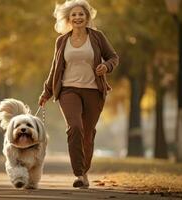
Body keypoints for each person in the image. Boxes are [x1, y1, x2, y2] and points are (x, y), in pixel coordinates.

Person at [38, 0, 119, 188]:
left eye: (81, 14)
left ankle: (84, 172)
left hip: (93, 91)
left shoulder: (97, 37)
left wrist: (106, 66)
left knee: (88, 134)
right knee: (75, 127)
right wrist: (47, 92)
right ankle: (79, 174)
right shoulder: (62, 41)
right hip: (68, 90)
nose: (77, 18)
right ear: (68, 19)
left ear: (87, 17)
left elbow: (113, 57)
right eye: (73, 15)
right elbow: (55, 69)